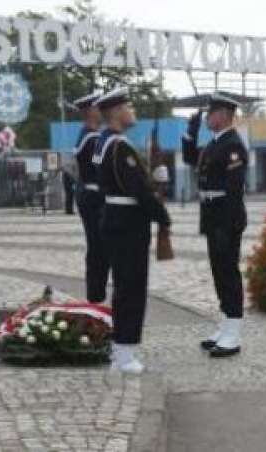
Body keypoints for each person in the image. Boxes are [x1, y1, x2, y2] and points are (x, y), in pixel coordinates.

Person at [93, 87, 171, 374]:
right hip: (128, 222)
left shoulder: (104, 143)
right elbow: (137, 190)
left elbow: (125, 182)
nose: (133, 111)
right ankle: (124, 355)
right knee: (131, 287)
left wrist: (152, 177)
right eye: (129, 106)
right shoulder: (119, 146)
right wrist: (163, 216)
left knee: (124, 286)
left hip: (116, 218)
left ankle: (121, 350)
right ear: (115, 112)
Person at [182, 93, 248, 358]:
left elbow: (234, 189)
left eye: (211, 112)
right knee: (218, 271)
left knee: (229, 272)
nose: (207, 116)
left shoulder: (233, 145)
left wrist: (227, 224)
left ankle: (234, 329)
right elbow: (190, 159)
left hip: (225, 216)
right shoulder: (213, 144)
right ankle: (225, 324)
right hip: (212, 214)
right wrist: (191, 131)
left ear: (225, 115)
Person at [72, 92, 110, 303]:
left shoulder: (86, 134)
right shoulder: (94, 138)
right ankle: (96, 298)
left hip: (88, 195)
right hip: (95, 198)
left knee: (97, 249)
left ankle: (96, 296)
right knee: (99, 251)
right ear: (91, 111)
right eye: (99, 108)